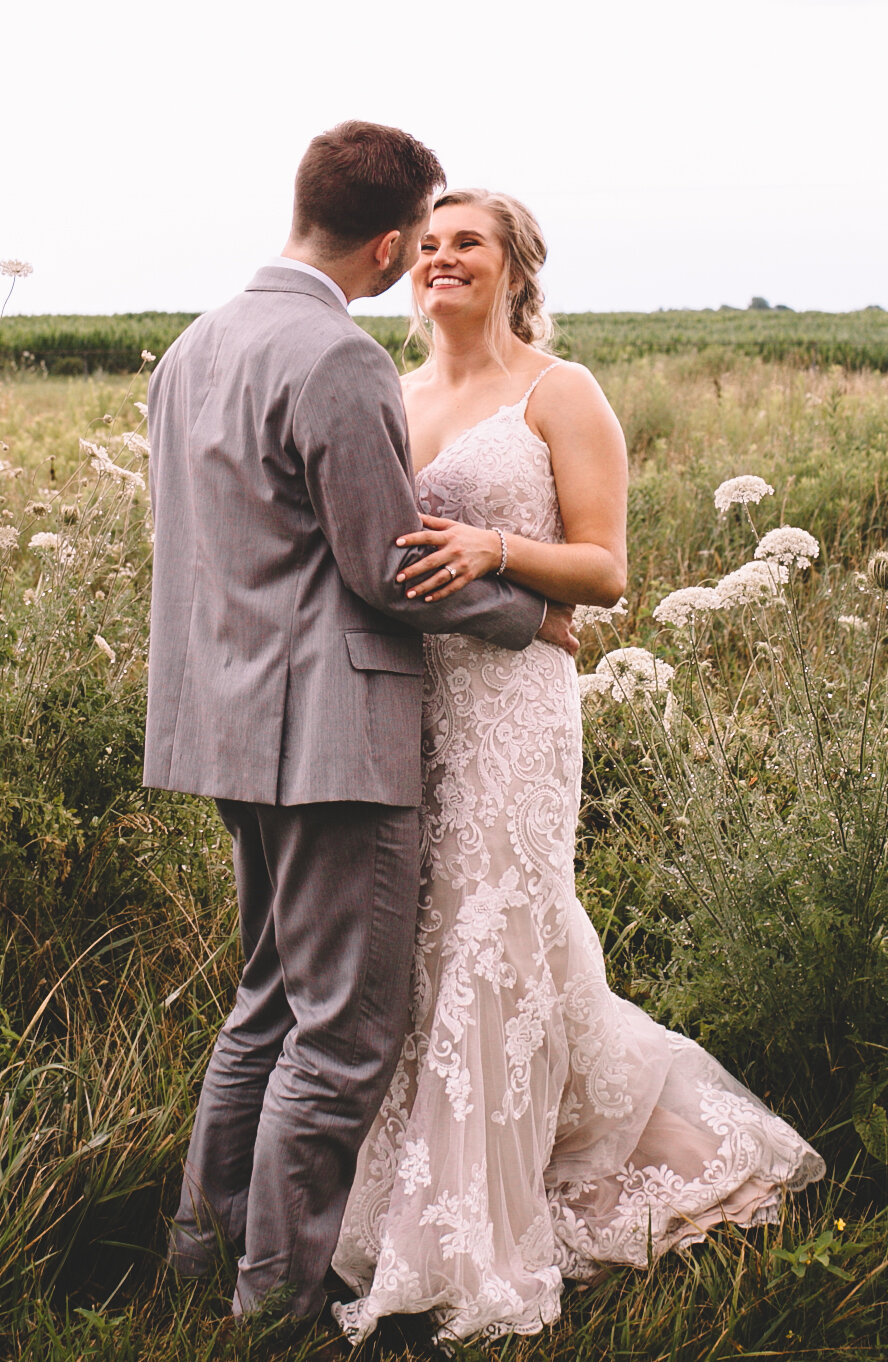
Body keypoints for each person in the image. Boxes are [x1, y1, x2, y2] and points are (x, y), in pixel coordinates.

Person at [328, 189, 825, 1345]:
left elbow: (604, 572)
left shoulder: (561, 392)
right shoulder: (392, 398)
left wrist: (497, 550)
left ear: (514, 271)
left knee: (500, 928)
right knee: (422, 944)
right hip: (414, 706)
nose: (445, 259)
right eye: (433, 245)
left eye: (471, 245)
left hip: (514, 710)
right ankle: (422, 1193)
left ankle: (482, 1239)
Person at [142, 122, 575, 1326]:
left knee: (267, 1001)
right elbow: (388, 572)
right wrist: (524, 615)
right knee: (342, 1038)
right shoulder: (336, 360)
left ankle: (202, 1254)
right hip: (331, 740)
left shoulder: (192, 349)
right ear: (389, 245)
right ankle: (276, 1314)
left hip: (224, 727)